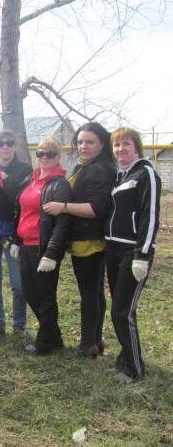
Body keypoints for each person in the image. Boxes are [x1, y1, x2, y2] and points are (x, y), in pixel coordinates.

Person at [43, 122, 116, 358]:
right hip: (84, 238)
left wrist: (62, 206)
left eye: (90, 142)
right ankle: (95, 340)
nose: (83, 146)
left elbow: (97, 208)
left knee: (89, 292)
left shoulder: (99, 170)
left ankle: (87, 344)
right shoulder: (84, 166)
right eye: (81, 141)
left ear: (102, 144)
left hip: (90, 240)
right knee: (93, 292)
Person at [104, 127, 161, 383]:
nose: (120, 149)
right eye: (116, 145)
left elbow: (150, 216)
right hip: (113, 249)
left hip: (132, 250)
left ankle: (135, 370)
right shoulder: (120, 174)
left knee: (121, 311)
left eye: (126, 144)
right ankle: (126, 359)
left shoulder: (145, 172)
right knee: (122, 309)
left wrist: (143, 253)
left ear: (136, 146)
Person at [11, 137, 71, 354]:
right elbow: (22, 212)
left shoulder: (59, 184)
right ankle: (53, 337)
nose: (44, 158)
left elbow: (63, 223)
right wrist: (17, 240)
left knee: (45, 296)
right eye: (40, 153)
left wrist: (52, 253)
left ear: (58, 157)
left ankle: (45, 342)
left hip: (42, 247)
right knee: (29, 292)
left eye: (50, 154)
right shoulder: (31, 179)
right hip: (26, 246)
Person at [0, 131, 32, 341]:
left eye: (9, 143)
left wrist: (5, 182)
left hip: (13, 231)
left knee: (18, 281)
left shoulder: (24, 170)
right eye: (0, 144)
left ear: (14, 147)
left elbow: (20, 201)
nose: (5, 147)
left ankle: (19, 325)